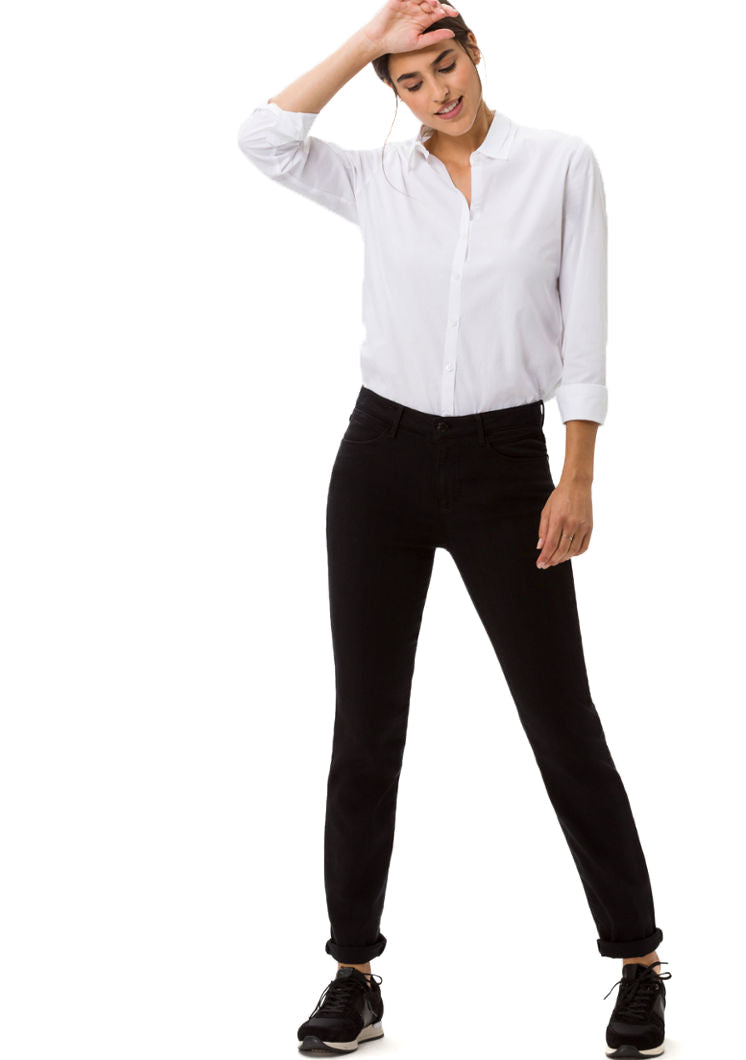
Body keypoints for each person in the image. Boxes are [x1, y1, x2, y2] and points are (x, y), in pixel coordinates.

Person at [237, 2, 671, 1055]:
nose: (440, 92)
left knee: (559, 715)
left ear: (476, 53)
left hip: (505, 467)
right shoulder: (377, 180)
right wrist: (365, 42)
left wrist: (577, 476)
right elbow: (264, 138)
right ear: (394, 93)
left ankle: (639, 961)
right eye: (413, 81)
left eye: (446, 63)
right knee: (366, 725)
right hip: (378, 463)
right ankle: (353, 972)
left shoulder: (561, 164)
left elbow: (585, 333)